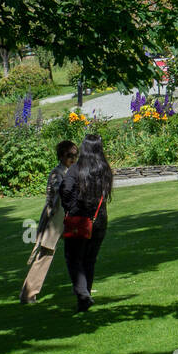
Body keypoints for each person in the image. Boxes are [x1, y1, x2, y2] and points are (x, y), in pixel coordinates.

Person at [59, 133, 113, 313]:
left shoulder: (76, 169)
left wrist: (69, 208)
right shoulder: (103, 168)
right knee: (89, 260)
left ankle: (83, 295)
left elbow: (65, 190)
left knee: (73, 258)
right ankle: (84, 298)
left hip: (79, 220)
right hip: (99, 221)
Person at [20, 140, 78, 304]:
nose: (73, 159)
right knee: (45, 254)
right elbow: (59, 195)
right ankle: (28, 294)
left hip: (70, 217)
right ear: (61, 156)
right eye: (69, 156)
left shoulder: (71, 171)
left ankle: (80, 287)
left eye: (75, 155)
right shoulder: (56, 173)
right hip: (55, 219)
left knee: (77, 252)